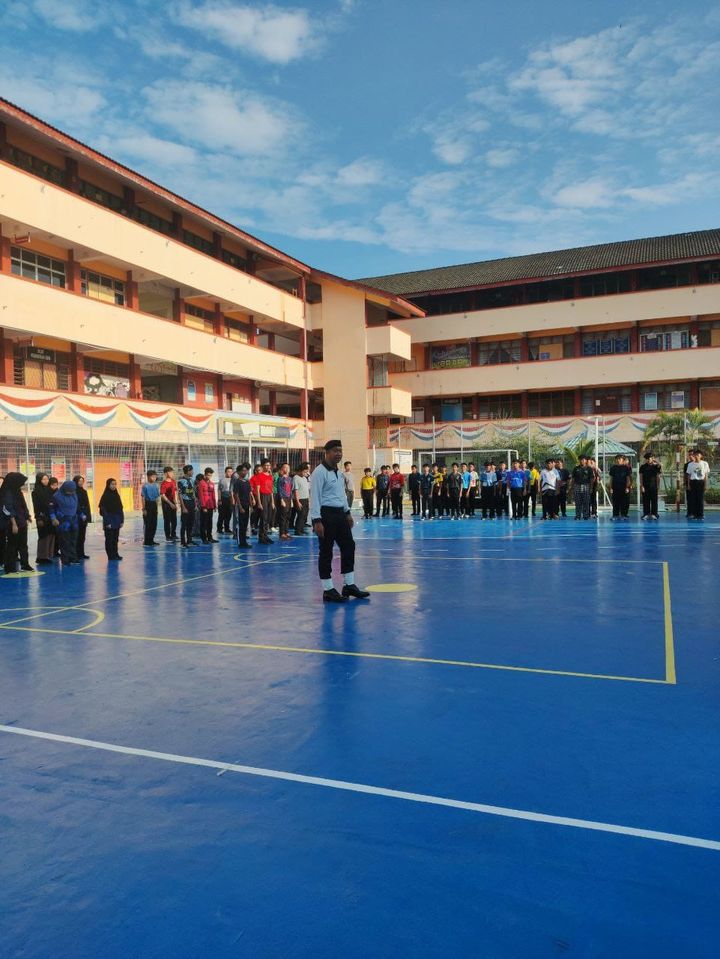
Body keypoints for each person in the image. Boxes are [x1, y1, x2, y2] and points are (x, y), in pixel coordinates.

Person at [310, 439, 369, 603]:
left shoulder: (338, 472)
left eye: (340, 451)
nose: (339, 454)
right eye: (335, 450)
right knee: (326, 551)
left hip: (340, 515)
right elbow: (315, 497)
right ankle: (328, 589)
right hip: (326, 515)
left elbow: (342, 495)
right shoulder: (319, 472)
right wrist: (317, 520)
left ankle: (349, 585)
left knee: (349, 546)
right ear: (327, 452)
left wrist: (347, 512)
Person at [1, 472, 33, 573]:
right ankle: (10, 567)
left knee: (23, 544)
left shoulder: (18, 491)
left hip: (22, 521)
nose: (22, 484)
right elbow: (7, 508)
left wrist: (27, 516)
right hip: (12, 522)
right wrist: (14, 523)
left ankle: (25, 564)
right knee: (12, 545)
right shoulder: (6, 493)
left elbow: (23, 504)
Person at [50, 479, 80, 565]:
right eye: (69, 491)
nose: (70, 493)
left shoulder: (74, 495)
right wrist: (53, 518)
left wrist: (81, 515)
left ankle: (73, 558)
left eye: (72, 491)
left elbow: (77, 507)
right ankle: (65, 560)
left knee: (73, 541)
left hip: (74, 522)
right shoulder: (56, 496)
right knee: (64, 542)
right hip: (63, 522)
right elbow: (51, 508)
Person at [98, 478, 124, 560]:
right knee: (109, 538)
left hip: (117, 520)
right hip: (109, 520)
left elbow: (120, 508)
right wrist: (107, 522)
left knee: (115, 539)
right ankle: (110, 555)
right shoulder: (105, 496)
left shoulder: (117, 495)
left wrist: (122, 520)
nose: (114, 486)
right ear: (108, 485)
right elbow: (103, 511)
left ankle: (116, 553)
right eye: (112, 484)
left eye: (115, 484)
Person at [32, 472, 55, 566]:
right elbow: (36, 506)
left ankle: (49, 555)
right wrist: (38, 518)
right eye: (43, 479)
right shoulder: (35, 492)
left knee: (51, 535)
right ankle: (42, 557)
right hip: (42, 517)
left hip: (51, 516)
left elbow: (52, 502)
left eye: (47, 479)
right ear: (39, 480)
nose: (46, 481)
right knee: (43, 536)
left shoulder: (49, 490)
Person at [250, 458, 274, 544]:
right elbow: (257, 490)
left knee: (268, 518)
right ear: (263, 466)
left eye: (269, 465)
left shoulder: (270, 476)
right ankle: (261, 537)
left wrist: (272, 502)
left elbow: (271, 489)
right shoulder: (259, 476)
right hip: (263, 496)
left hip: (269, 497)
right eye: (266, 465)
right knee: (263, 517)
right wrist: (259, 502)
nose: (268, 467)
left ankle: (266, 535)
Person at [232, 462, 254, 548]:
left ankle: (244, 541)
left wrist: (251, 505)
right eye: (243, 471)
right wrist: (240, 507)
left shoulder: (247, 482)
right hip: (240, 505)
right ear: (239, 472)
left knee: (245, 524)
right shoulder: (237, 482)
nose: (245, 472)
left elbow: (249, 493)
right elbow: (235, 494)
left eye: (246, 471)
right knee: (241, 524)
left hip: (246, 505)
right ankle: (241, 542)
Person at [686, 449, 709, 520]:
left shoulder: (705, 463)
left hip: (701, 482)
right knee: (693, 499)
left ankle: (700, 515)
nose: (696, 456)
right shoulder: (690, 464)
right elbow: (689, 475)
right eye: (695, 455)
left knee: (700, 499)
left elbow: (705, 475)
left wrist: (705, 485)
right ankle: (694, 514)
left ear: (701, 456)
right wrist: (689, 484)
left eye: (698, 455)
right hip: (693, 482)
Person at [177, 465, 197, 547]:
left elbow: (193, 493)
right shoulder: (181, 481)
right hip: (185, 503)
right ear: (188, 471)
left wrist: (195, 504)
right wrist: (183, 507)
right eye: (191, 471)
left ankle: (189, 540)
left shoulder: (192, 480)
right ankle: (183, 542)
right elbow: (180, 495)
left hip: (192, 503)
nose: (192, 472)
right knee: (184, 523)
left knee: (191, 522)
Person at [197, 468, 218, 543]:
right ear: (205, 474)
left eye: (210, 475)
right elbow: (201, 496)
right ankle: (204, 538)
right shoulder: (201, 483)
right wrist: (203, 506)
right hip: (205, 506)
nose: (209, 477)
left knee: (210, 522)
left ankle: (210, 537)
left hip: (211, 506)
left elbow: (213, 495)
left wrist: (215, 505)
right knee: (204, 523)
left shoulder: (212, 484)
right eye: (208, 475)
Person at [639, 452, 662, 520]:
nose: (649, 459)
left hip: (654, 486)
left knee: (654, 501)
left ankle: (654, 514)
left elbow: (658, 476)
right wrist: (641, 486)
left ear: (653, 458)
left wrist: (658, 486)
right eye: (647, 458)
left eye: (650, 458)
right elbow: (641, 477)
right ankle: (646, 514)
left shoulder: (656, 466)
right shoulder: (642, 467)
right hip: (645, 486)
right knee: (646, 501)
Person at [609, 454, 632, 520]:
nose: (618, 460)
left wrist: (627, 487)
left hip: (624, 488)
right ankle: (615, 515)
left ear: (623, 460)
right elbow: (611, 478)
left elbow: (628, 478)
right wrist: (610, 487)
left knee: (624, 502)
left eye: (620, 459)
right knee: (615, 502)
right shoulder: (613, 468)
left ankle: (624, 515)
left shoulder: (626, 468)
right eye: (617, 459)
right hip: (615, 487)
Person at [74, 474, 92, 559]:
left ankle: (81, 553)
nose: (81, 483)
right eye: (79, 481)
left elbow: (87, 504)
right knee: (76, 536)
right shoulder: (73, 492)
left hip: (84, 516)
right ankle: (75, 554)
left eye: (82, 481)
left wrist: (88, 517)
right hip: (76, 516)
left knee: (82, 536)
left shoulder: (84, 492)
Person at [141, 470, 161, 546]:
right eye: (153, 476)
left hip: (154, 505)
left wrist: (156, 509)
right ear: (149, 476)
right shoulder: (145, 486)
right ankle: (147, 541)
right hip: (148, 504)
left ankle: (151, 540)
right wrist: (144, 509)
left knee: (154, 524)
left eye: (155, 477)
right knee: (148, 524)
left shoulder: (156, 485)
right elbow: (143, 498)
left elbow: (156, 497)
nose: (154, 478)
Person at [571, 455, 593, 520]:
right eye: (581, 459)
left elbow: (591, 479)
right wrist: (572, 487)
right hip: (577, 485)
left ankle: (585, 515)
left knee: (586, 501)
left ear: (586, 461)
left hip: (586, 485)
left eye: (583, 459)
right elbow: (573, 478)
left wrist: (591, 488)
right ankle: (578, 515)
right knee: (578, 501)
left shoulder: (589, 469)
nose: (582, 461)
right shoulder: (576, 468)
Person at [160, 466, 179, 542]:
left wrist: (176, 503)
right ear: (166, 473)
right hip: (166, 504)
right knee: (167, 520)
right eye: (170, 472)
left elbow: (175, 492)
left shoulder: (174, 481)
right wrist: (170, 503)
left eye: (172, 472)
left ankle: (173, 534)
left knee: (174, 520)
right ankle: (168, 536)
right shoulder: (164, 483)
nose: (172, 473)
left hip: (173, 503)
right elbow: (163, 495)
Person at [276, 462, 293, 539]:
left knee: (288, 516)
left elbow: (291, 490)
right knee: (283, 516)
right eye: (285, 467)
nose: (286, 469)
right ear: (282, 469)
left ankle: (286, 531)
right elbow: (279, 490)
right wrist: (281, 500)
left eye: (288, 467)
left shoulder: (290, 479)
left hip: (289, 498)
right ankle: (282, 533)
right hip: (283, 498)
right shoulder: (281, 479)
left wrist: (291, 500)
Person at [292, 462, 310, 534]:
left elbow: (306, 490)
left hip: (306, 499)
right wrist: (297, 501)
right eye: (304, 471)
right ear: (300, 470)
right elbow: (295, 490)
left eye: (307, 471)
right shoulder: (296, 478)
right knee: (301, 515)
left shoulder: (305, 478)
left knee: (305, 515)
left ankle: (301, 529)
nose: (306, 473)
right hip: (300, 499)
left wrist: (308, 500)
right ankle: (298, 530)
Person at [217, 466, 234, 535]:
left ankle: (227, 528)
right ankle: (219, 528)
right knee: (222, 514)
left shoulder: (234, 480)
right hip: (223, 498)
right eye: (228, 472)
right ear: (225, 472)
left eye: (231, 472)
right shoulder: (222, 480)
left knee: (229, 514)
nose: (230, 473)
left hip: (231, 499)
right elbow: (219, 490)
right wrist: (219, 499)